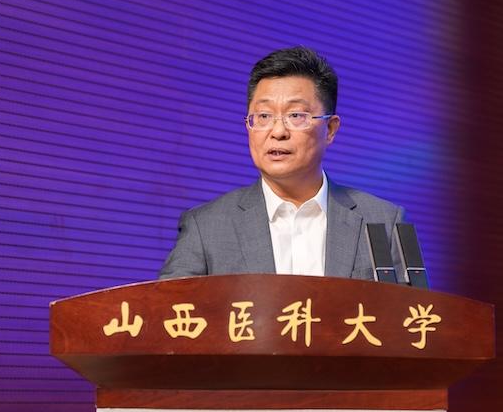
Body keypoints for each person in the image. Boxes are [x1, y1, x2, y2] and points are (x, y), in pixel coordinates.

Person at [159, 46, 406, 280]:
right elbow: (170, 308)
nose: (278, 132)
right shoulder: (206, 227)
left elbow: (412, 310)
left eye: (296, 115)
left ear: (330, 129)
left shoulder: (383, 221)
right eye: (264, 116)